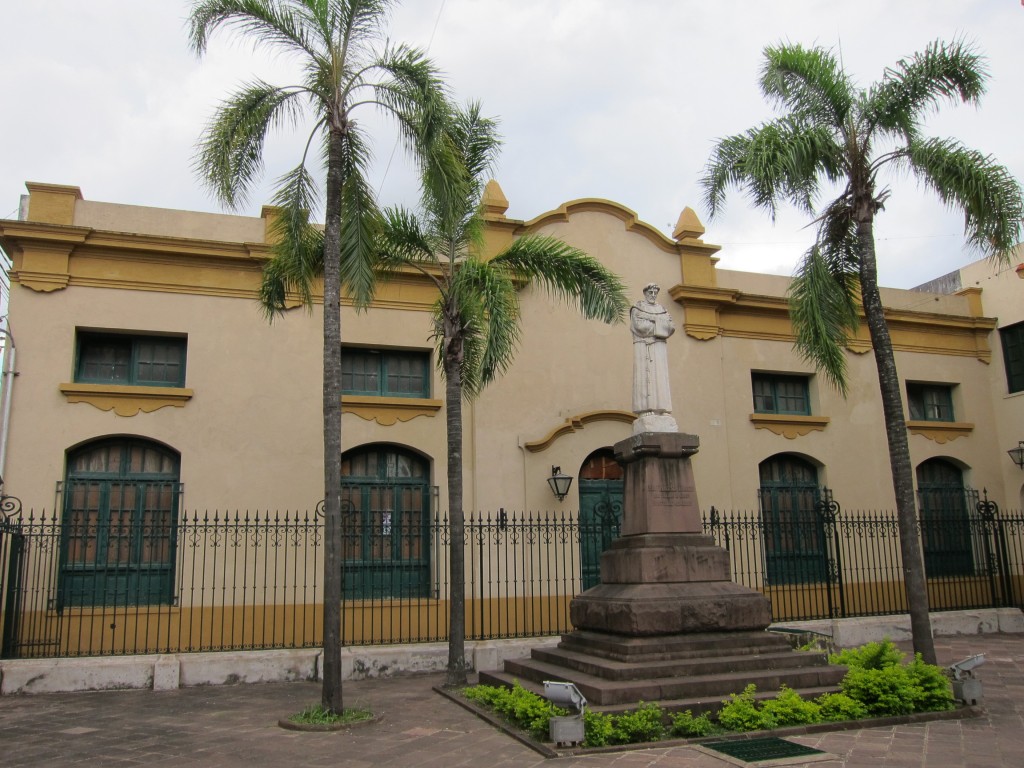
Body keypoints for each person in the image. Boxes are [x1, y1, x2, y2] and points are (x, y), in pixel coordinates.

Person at [631, 283, 675, 420]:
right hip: (643, 346)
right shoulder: (638, 308)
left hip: (659, 347)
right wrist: (659, 325)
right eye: (650, 292)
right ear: (645, 293)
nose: (653, 295)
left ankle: (663, 409)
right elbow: (639, 327)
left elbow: (670, 327)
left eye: (655, 292)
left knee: (660, 376)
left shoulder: (662, 309)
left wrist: (654, 322)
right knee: (644, 377)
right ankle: (645, 408)